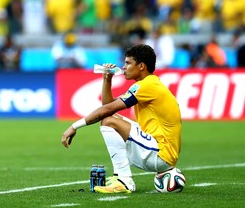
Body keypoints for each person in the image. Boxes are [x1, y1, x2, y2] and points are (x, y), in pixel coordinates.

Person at [61, 44, 182, 193]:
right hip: (161, 151)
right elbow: (108, 106)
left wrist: (74, 126)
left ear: (142, 66)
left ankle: (124, 181)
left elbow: (106, 109)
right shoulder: (149, 84)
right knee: (109, 118)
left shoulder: (146, 86)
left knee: (109, 121)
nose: (124, 67)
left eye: (128, 63)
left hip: (160, 153)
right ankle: (120, 176)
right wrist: (107, 79)